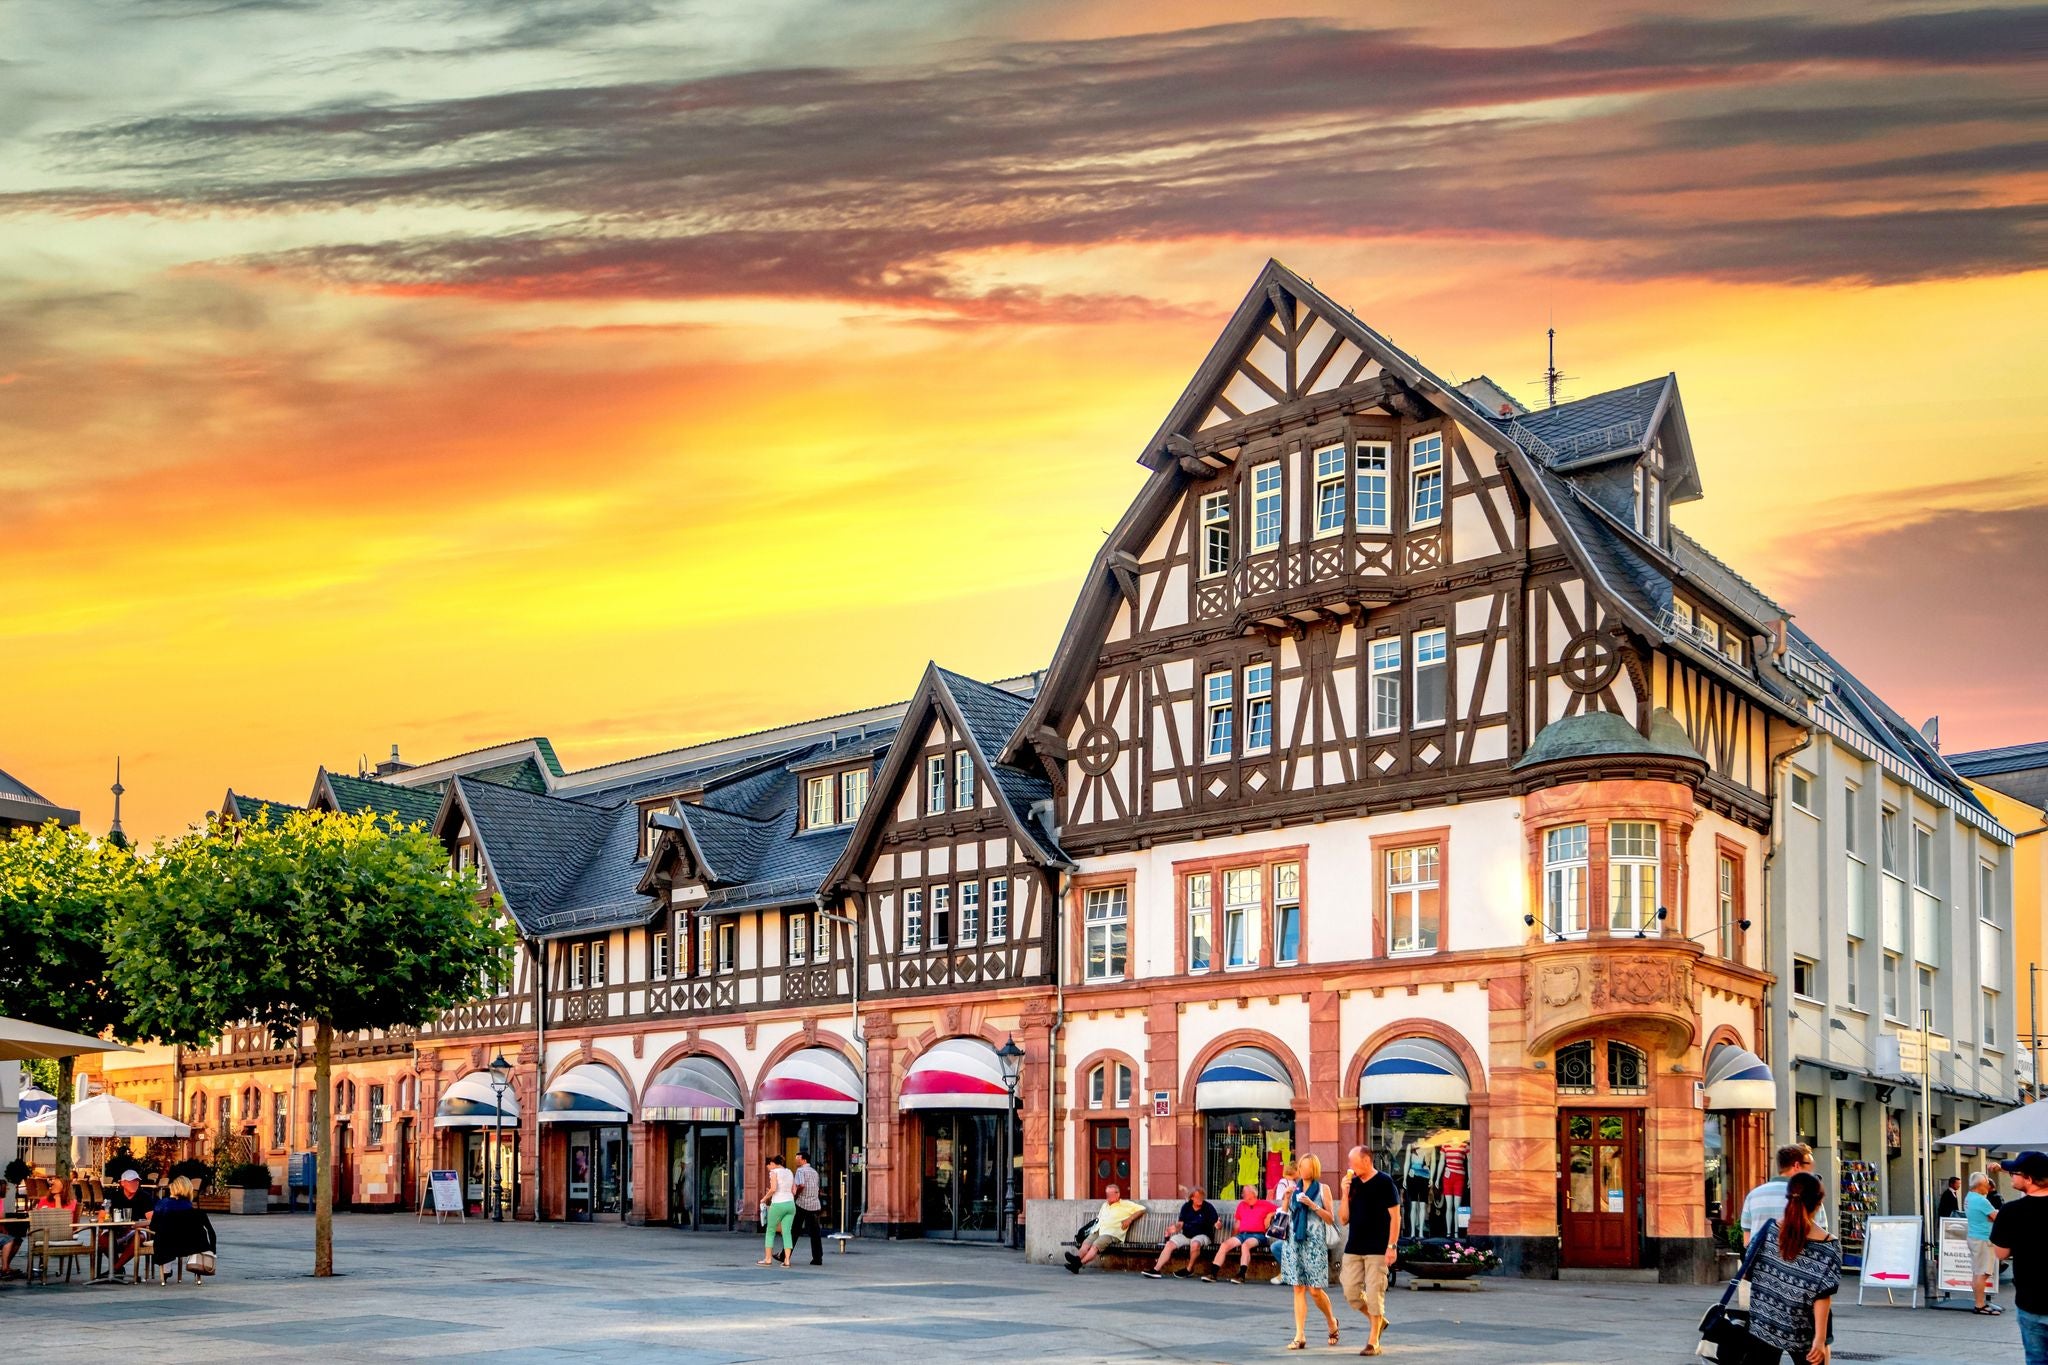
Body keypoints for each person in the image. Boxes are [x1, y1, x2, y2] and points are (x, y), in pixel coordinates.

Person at [1744, 1171, 1839, 1365]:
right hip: (1804, 1330)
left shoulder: (1768, 1231)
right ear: (1819, 1203)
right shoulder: (1829, 1246)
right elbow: (1822, 1297)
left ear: (1788, 1198)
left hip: (1764, 1324)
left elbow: (1748, 1272)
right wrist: (1820, 1339)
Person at [1338, 1145, 1401, 1357]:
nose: (1350, 1166)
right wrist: (1345, 1193)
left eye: (1353, 1162)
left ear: (1366, 1160)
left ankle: (1373, 1341)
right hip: (1354, 1247)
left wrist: (1392, 1246)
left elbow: (1395, 1217)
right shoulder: (1353, 1184)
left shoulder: (1385, 1182)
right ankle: (1378, 1321)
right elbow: (1343, 1219)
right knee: (1351, 1293)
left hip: (1378, 1248)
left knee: (1375, 1294)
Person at [1277, 1154, 1341, 1351]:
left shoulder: (1323, 1189)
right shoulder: (1294, 1188)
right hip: (1294, 1242)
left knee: (1315, 1290)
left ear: (1314, 1169)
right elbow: (1284, 1214)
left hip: (1314, 1244)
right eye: (1301, 1167)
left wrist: (1313, 1205)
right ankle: (1300, 1335)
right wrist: (1286, 1199)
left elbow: (1330, 1219)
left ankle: (1331, 1322)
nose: (1303, 1170)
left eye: (1306, 1167)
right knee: (1298, 1288)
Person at [1992, 1150, 2048, 1365]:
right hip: (2031, 1300)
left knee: (2037, 1360)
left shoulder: (2011, 1211)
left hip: (2032, 1300)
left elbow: (2001, 1253)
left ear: (2029, 1178)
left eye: (2013, 1173)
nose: (2010, 1177)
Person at [1742, 1144, 1828, 1245]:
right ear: (1797, 1166)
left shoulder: (1753, 1196)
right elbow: (1822, 1240)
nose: (1812, 1171)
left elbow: (1747, 1242)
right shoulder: (1811, 1196)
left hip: (1762, 1255)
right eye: (1810, 1165)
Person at [1066, 1183, 1145, 1272]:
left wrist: (1130, 1219)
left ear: (1118, 1194)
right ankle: (1076, 1259)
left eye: (1110, 1194)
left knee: (1095, 1245)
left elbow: (1142, 1209)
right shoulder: (1105, 1205)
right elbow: (1099, 1219)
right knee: (1086, 1243)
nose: (1108, 1196)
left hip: (1111, 1233)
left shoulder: (1126, 1204)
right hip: (1099, 1230)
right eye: (1107, 1194)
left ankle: (1078, 1264)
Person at [1207, 1190, 1280, 1283]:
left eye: (1244, 1193)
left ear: (1252, 1194)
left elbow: (1280, 1210)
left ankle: (1241, 1275)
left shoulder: (1264, 1204)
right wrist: (1232, 1237)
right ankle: (1213, 1274)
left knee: (1245, 1245)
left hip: (1258, 1235)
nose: (1242, 1194)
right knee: (1225, 1245)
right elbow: (1237, 1223)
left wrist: (1270, 1215)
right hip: (1242, 1235)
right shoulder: (1242, 1205)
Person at [1144, 1188, 1218, 1279]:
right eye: (1198, 1197)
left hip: (1203, 1235)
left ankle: (1189, 1269)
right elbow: (1180, 1224)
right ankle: (1156, 1270)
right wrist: (1175, 1228)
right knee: (1170, 1244)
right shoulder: (1186, 1207)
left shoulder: (1208, 1207)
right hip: (1186, 1235)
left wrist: (1218, 1225)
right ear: (1192, 1198)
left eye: (1202, 1197)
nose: (1200, 1199)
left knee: (1195, 1243)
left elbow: (1216, 1223)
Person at [106, 1168, 158, 1277]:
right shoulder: (114, 1196)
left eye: (136, 1181)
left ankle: (114, 1269)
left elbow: (151, 1219)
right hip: (117, 1230)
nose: (135, 1184)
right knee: (102, 1239)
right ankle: (118, 1268)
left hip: (138, 1229)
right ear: (122, 1183)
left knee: (139, 1237)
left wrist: (136, 1225)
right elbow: (103, 1215)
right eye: (131, 1181)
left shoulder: (145, 1196)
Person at [1966, 1172, 2002, 1315]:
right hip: (1983, 1239)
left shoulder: (1969, 1197)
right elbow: (1997, 1217)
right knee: (1983, 1273)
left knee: (1977, 1272)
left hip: (1974, 1237)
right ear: (1980, 1185)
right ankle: (1980, 1305)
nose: (1989, 1187)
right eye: (1987, 1184)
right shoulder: (1981, 1201)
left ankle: (1979, 1303)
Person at [757, 1154, 796, 1267]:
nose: (769, 1169)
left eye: (769, 1166)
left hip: (778, 1204)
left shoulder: (774, 1172)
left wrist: (764, 1198)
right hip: (790, 1204)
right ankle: (787, 1261)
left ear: (773, 1163)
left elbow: (774, 1189)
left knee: (770, 1231)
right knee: (787, 1232)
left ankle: (768, 1259)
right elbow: (793, 1190)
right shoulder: (789, 1172)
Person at [791, 1149, 824, 1267]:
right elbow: (817, 1187)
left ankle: (785, 1255)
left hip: (802, 1204)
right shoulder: (815, 1172)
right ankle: (817, 1258)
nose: (796, 1161)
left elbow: (801, 1185)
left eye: (798, 1159)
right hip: (814, 1204)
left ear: (804, 1160)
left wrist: (796, 1194)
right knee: (815, 1233)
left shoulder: (800, 1171)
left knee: (794, 1230)